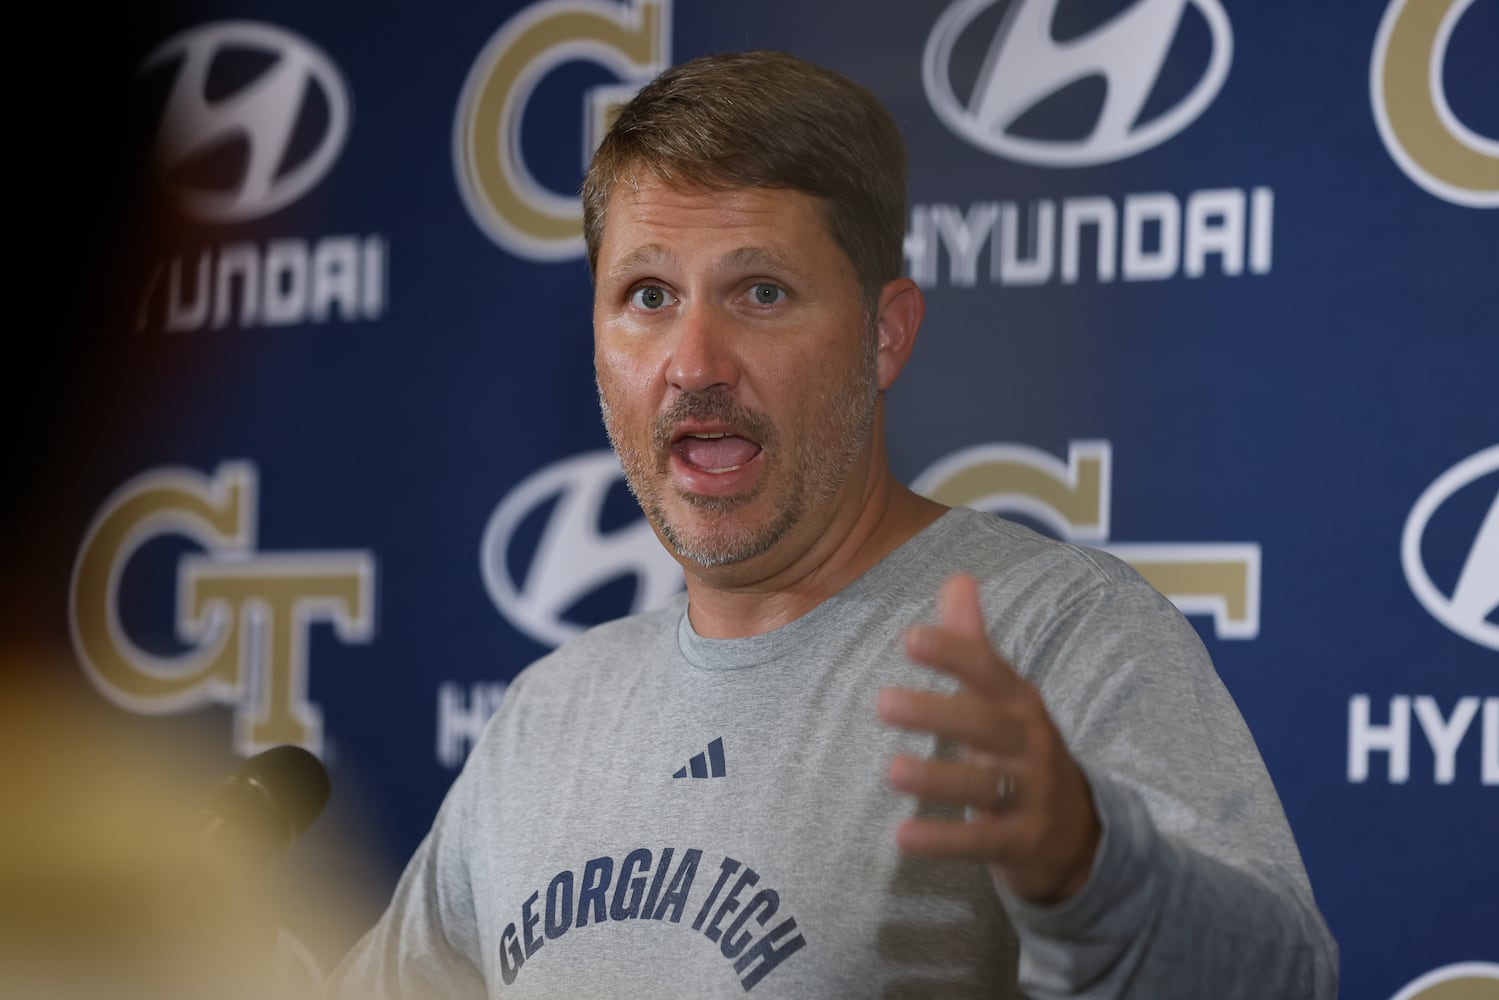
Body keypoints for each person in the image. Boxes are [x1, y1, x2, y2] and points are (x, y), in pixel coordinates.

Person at [327, 51, 1337, 998]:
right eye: (645, 295)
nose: (693, 361)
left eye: (759, 291)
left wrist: (1090, 863)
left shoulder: (1052, 634)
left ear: (883, 334)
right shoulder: (545, 714)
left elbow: (1289, 977)